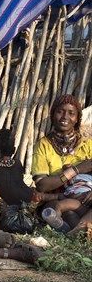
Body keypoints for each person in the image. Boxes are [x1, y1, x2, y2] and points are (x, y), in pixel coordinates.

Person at [32, 95, 92, 235]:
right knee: (69, 213)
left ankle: (81, 230)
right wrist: (76, 170)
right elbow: (42, 185)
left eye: (71, 113)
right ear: (53, 115)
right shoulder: (43, 145)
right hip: (57, 198)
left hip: (86, 197)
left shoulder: (87, 145)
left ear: (77, 118)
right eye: (60, 111)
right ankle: (80, 231)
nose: (65, 116)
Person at [0, 129, 59, 233]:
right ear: (14, 150)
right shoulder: (17, 163)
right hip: (30, 197)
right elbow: (18, 184)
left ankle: (56, 198)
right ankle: (58, 197)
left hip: (19, 200)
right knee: (41, 198)